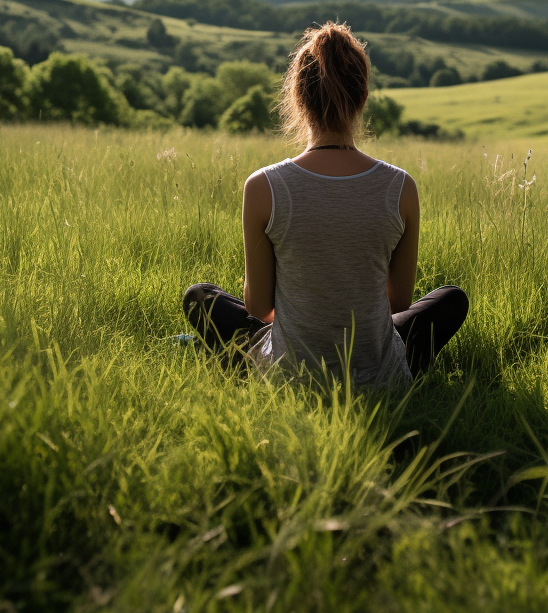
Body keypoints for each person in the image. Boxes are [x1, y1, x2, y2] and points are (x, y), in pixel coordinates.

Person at [182, 22, 468, 386]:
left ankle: (246, 367)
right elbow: (397, 304)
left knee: (201, 298)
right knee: (450, 299)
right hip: (380, 375)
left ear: (297, 99)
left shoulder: (263, 186)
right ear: (362, 96)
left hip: (290, 375)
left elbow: (258, 309)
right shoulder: (400, 186)